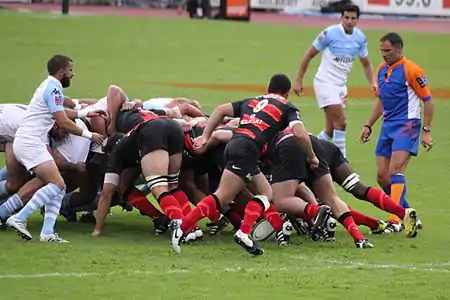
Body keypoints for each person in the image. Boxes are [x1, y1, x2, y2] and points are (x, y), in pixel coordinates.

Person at [170, 73, 321, 255]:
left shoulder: (253, 101)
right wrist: (311, 156)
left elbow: (219, 109)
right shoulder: (286, 106)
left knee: (266, 192)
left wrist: (204, 136)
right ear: (287, 93)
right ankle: (183, 228)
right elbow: (299, 133)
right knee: (222, 196)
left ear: (268, 89)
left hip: (236, 144)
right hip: (247, 149)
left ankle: (244, 232)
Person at [6, 55, 105, 243]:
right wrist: (90, 135)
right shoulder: (53, 88)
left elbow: (60, 112)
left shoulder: (49, 86)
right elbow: (63, 122)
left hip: (31, 141)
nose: (72, 74)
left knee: (59, 187)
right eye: (70, 70)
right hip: (31, 142)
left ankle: (47, 233)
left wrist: (85, 113)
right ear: (61, 71)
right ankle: (18, 218)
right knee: (58, 185)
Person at [359, 32, 434, 234]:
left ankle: (395, 220)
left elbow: (428, 100)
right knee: (382, 177)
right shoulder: (382, 69)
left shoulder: (412, 70)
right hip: (388, 126)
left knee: (395, 170)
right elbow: (382, 101)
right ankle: (407, 212)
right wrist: (368, 125)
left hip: (407, 126)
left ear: (399, 48)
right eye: (381, 50)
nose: (383, 54)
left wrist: (426, 131)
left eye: (387, 50)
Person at [293, 4, 377, 158]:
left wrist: (373, 82)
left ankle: (305, 153)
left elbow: (366, 64)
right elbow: (309, 55)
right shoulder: (330, 33)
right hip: (325, 83)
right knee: (341, 123)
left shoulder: (360, 38)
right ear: (341, 17)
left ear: (358, 19)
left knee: (331, 130)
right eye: (346, 17)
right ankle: (342, 161)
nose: (349, 21)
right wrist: (299, 80)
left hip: (340, 87)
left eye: (353, 18)